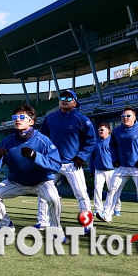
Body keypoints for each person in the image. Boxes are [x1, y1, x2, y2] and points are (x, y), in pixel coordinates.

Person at [0, 105, 64, 237]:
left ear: (32, 122)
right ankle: (5, 225)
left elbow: (56, 165)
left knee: (54, 198)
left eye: (22, 117)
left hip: (41, 182)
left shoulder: (43, 140)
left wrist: (36, 156)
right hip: (17, 182)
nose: (18, 119)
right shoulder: (7, 141)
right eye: (15, 117)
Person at [36, 89, 96, 233]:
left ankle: (87, 225)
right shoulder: (50, 118)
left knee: (81, 194)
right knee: (43, 193)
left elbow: (91, 140)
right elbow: (42, 139)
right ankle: (42, 221)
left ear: (75, 103)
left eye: (69, 98)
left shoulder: (82, 119)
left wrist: (82, 156)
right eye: (63, 97)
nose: (65, 100)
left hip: (72, 163)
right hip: (52, 162)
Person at [97, 107, 138, 226]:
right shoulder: (117, 131)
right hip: (121, 166)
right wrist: (115, 159)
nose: (125, 118)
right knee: (112, 189)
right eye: (123, 116)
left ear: (134, 117)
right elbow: (112, 146)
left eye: (128, 116)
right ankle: (106, 214)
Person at [90, 122, 122, 216]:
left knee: (113, 190)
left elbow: (118, 154)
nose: (100, 131)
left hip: (111, 170)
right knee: (97, 189)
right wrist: (92, 170)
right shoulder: (96, 142)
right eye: (99, 130)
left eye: (102, 130)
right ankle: (98, 209)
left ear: (108, 130)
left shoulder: (112, 141)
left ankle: (117, 208)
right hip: (98, 170)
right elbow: (92, 157)